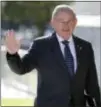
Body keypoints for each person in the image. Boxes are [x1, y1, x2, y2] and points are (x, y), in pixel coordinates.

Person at [5, 4, 100, 107]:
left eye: (70, 21)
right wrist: (12, 54)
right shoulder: (41, 45)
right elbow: (21, 68)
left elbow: (92, 86)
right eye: (61, 21)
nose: (66, 25)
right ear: (53, 23)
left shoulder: (85, 47)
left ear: (75, 22)